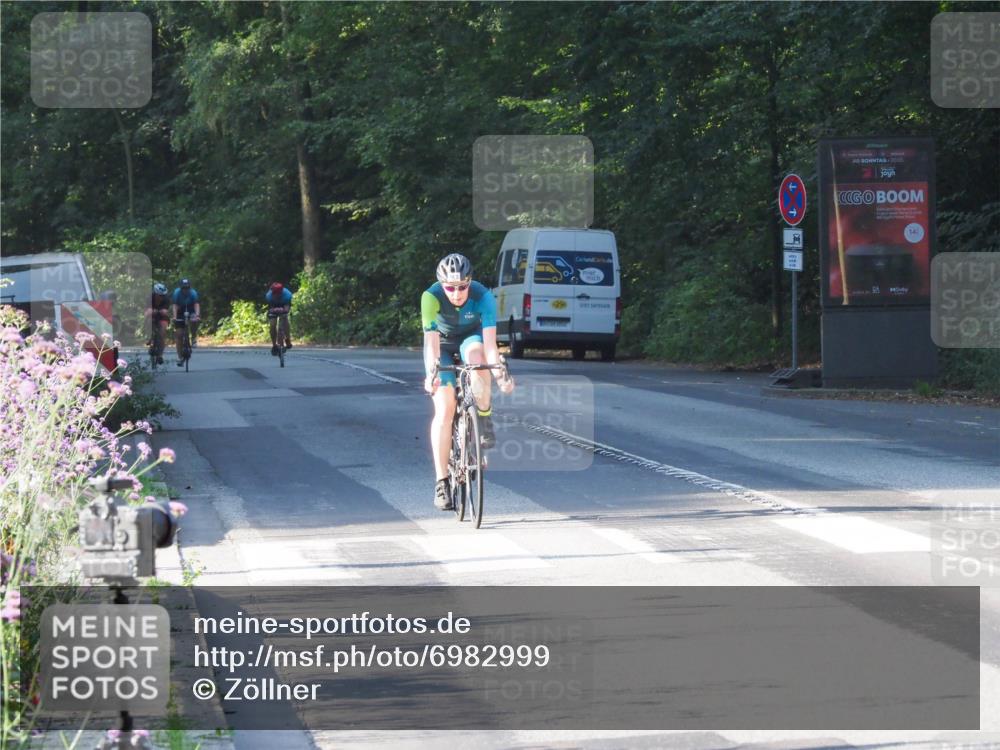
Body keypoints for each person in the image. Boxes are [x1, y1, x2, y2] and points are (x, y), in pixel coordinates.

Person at [422, 253, 514, 511]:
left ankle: (482, 418)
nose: (456, 292)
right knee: (445, 408)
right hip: (441, 343)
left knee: (478, 359)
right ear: (441, 285)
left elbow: (490, 346)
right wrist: (432, 374)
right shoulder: (430, 297)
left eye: (462, 286)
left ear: (469, 282)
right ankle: (441, 482)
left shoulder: (483, 296)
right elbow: (430, 344)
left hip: (471, 340)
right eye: (450, 287)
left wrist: (500, 376)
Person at [171, 278, 201, 365]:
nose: (185, 290)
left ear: (189, 287)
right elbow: (175, 306)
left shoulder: (193, 293)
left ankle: (194, 337)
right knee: (179, 334)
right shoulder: (177, 293)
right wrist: (175, 317)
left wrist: (197, 315)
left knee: (194, 320)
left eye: (187, 288)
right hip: (180, 311)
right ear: (180, 288)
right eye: (183, 288)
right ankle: (180, 357)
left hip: (191, 309)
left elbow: (196, 305)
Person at [146, 282, 171, 364]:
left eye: (163, 295)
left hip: (162, 316)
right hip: (152, 315)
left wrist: (164, 311)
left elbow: (166, 311)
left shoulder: (166, 298)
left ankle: (160, 355)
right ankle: (149, 336)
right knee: (149, 321)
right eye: (160, 295)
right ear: (155, 293)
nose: (161, 297)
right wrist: (151, 311)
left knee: (162, 333)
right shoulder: (150, 297)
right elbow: (147, 311)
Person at [265, 282, 293, 355]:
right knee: (272, 324)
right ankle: (274, 345)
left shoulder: (287, 295)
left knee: (284, 319)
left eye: (278, 294)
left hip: (284, 305)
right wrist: (273, 310)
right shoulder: (269, 296)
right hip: (274, 306)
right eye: (275, 294)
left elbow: (287, 308)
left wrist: (284, 310)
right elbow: (270, 308)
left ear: (281, 292)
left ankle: (288, 338)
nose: (277, 295)